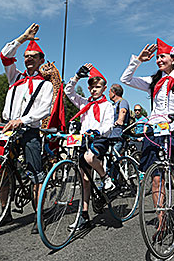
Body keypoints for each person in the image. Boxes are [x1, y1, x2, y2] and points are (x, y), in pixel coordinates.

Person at [120, 38, 174, 224]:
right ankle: (161, 219)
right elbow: (125, 79)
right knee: (156, 179)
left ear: (173, 59)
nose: (159, 60)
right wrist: (139, 61)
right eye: (157, 57)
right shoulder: (153, 80)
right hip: (155, 131)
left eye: (162, 56)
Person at [0, 23, 53, 233]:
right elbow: (4, 55)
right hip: (8, 130)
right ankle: (5, 212)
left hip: (29, 130)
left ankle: (38, 215)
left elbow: (44, 110)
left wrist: (23, 119)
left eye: (33, 56)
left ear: (41, 60)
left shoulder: (45, 84)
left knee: (35, 174)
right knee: (3, 169)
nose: (28, 58)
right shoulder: (15, 77)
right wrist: (23, 37)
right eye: (26, 56)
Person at [65, 63, 114, 230]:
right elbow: (68, 92)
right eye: (92, 87)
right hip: (84, 141)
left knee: (90, 157)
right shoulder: (83, 103)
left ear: (104, 88)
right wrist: (77, 77)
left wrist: (97, 131)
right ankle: (84, 215)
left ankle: (105, 177)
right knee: (85, 180)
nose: (94, 90)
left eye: (98, 87)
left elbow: (108, 125)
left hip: (99, 140)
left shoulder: (107, 105)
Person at [108, 83, 129, 153]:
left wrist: (120, 120)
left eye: (109, 92)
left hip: (118, 135)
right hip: (110, 135)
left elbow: (123, 111)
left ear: (113, 92)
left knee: (114, 156)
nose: (108, 94)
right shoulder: (112, 105)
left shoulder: (123, 102)